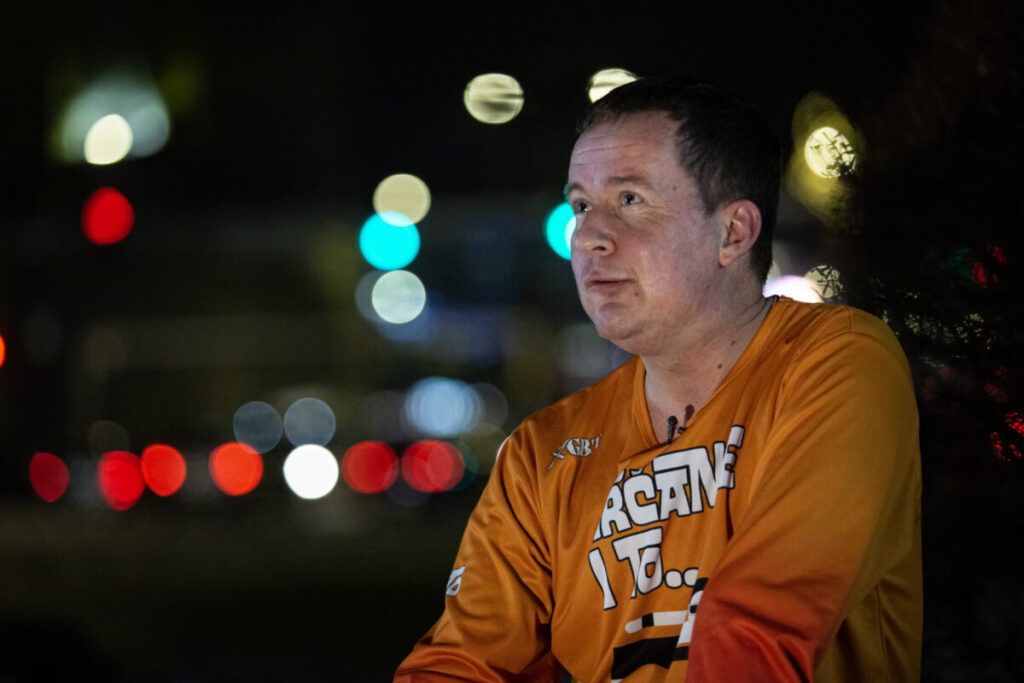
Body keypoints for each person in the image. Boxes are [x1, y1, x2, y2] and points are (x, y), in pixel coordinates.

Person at [394, 77, 922, 682]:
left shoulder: (835, 363)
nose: (588, 237)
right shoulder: (540, 454)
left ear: (733, 232)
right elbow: (458, 665)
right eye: (581, 206)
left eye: (630, 200)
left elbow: (756, 637)